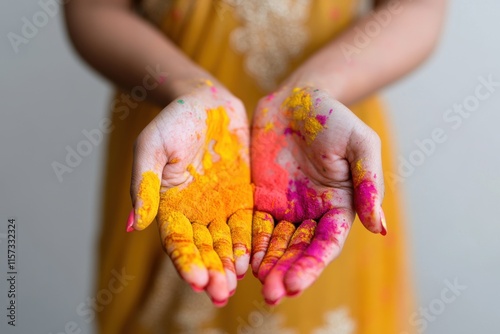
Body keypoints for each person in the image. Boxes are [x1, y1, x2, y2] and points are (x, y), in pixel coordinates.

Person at [65, 0, 447, 333]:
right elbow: (94, 8)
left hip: (321, 157)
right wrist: (186, 87)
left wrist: (317, 90)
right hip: (181, 161)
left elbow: (418, 6)